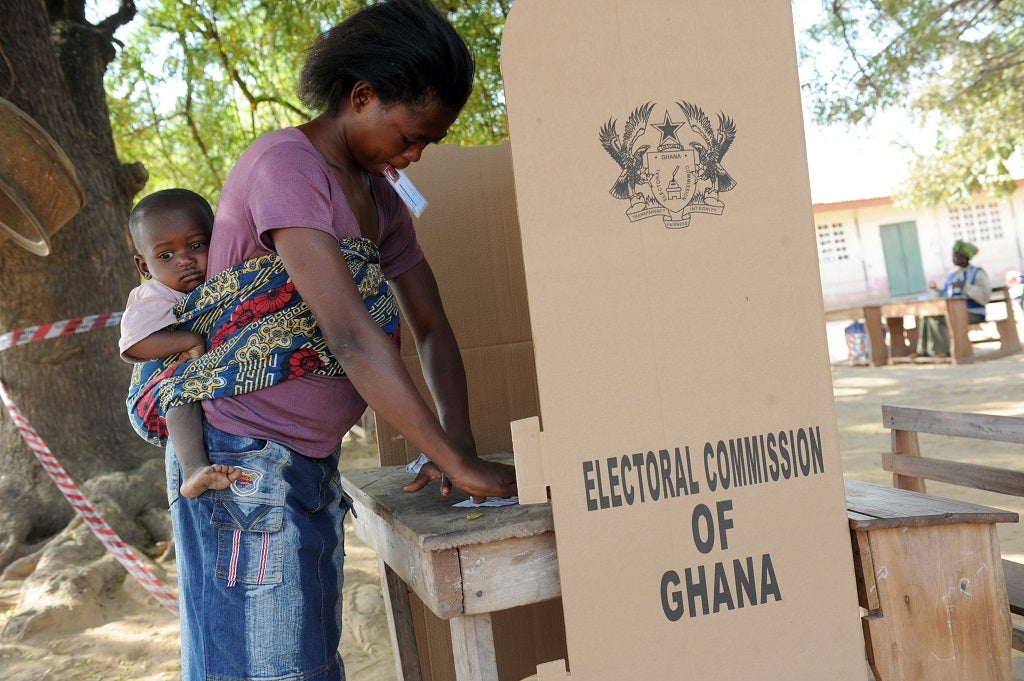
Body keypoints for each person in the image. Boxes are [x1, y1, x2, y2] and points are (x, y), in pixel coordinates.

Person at [164, 2, 518, 680]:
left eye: (427, 145)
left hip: (306, 463)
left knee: (304, 658)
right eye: (409, 135)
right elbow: (352, 336)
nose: (413, 155)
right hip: (245, 462)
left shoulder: (381, 199)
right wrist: (458, 462)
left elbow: (433, 329)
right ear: (362, 96)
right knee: (268, 664)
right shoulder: (284, 166)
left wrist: (457, 446)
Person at [119, 189, 240, 498]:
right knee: (180, 388)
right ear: (144, 267)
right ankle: (193, 470)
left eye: (197, 245)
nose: (185, 260)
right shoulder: (153, 295)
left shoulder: (219, 283)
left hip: (191, 389)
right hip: (151, 399)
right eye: (166, 256)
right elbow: (134, 343)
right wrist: (189, 339)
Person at [917, 239, 991, 357]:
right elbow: (946, 296)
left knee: (939, 319)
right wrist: (936, 290)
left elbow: (985, 296)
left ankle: (945, 351)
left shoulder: (977, 273)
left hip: (973, 312)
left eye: (956, 256)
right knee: (928, 316)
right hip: (954, 311)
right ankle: (923, 351)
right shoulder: (953, 276)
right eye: (953, 256)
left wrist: (965, 287)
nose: (954, 259)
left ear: (965, 257)